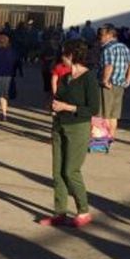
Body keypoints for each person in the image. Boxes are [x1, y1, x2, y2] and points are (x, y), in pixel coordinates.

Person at [40, 39, 101, 228]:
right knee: (57, 172)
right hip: (59, 125)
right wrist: (53, 106)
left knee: (70, 170)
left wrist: (66, 106)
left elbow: (92, 108)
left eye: (64, 54)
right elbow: (58, 97)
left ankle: (83, 210)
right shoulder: (66, 78)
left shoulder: (89, 78)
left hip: (78, 127)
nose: (62, 58)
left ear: (72, 56)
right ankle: (59, 212)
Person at [98, 24, 130, 140]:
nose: (100, 37)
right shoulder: (124, 47)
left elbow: (108, 66)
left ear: (110, 35)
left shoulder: (107, 48)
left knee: (104, 113)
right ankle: (111, 137)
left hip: (108, 85)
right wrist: (128, 80)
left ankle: (102, 140)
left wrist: (105, 80)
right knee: (114, 115)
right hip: (120, 85)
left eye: (102, 35)